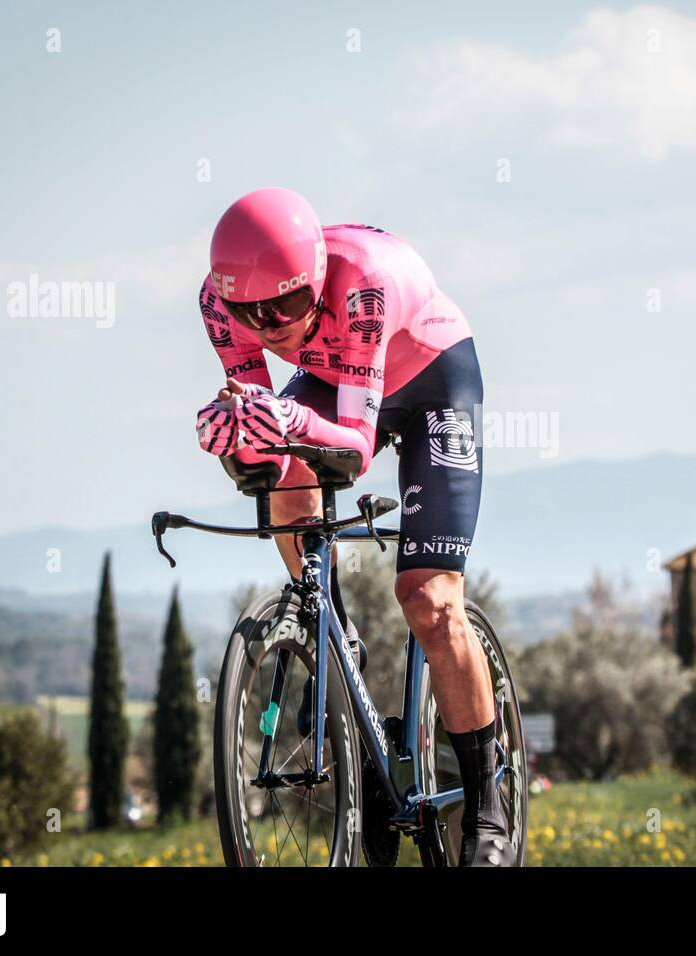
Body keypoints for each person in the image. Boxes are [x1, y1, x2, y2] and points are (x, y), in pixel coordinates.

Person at [193, 188, 511, 867]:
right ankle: (338, 647)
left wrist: (285, 422)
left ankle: (487, 805)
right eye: (252, 314)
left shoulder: (361, 286)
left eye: (286, 306)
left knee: (429, 600)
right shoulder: (220, 304)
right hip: (333, 378)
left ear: (315, 282)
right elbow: (263, 433)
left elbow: (355, 450)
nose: (269, 327)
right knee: (284, 477)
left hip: (430, 378)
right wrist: (237, 438)